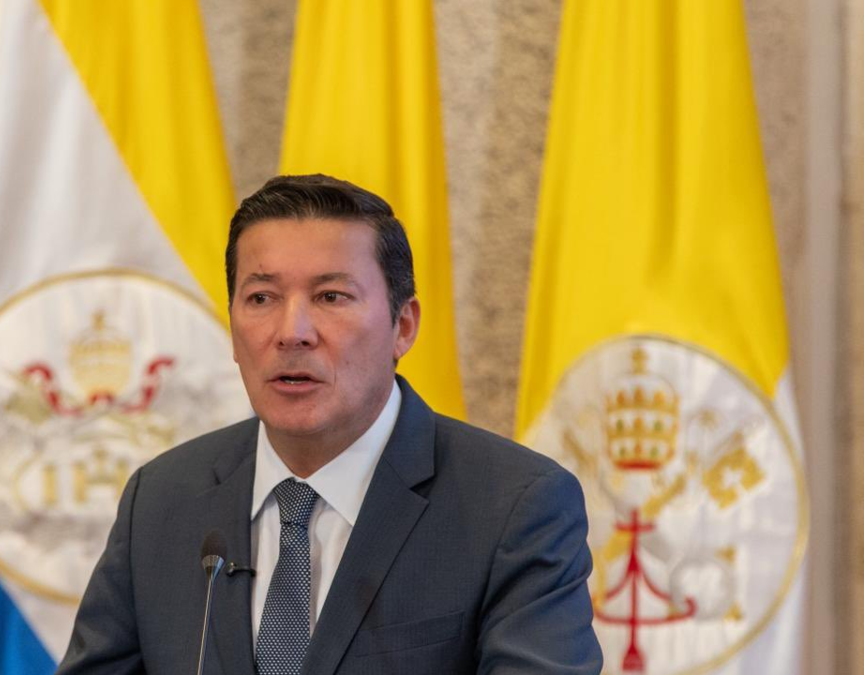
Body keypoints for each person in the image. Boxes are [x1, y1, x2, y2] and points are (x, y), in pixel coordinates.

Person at [59, 174, 601, 674]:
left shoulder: (513, 507)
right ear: (233, 328)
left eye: (330, 297)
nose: (291, 331)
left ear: (403, 326)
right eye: (262, 298)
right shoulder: (161, 500)